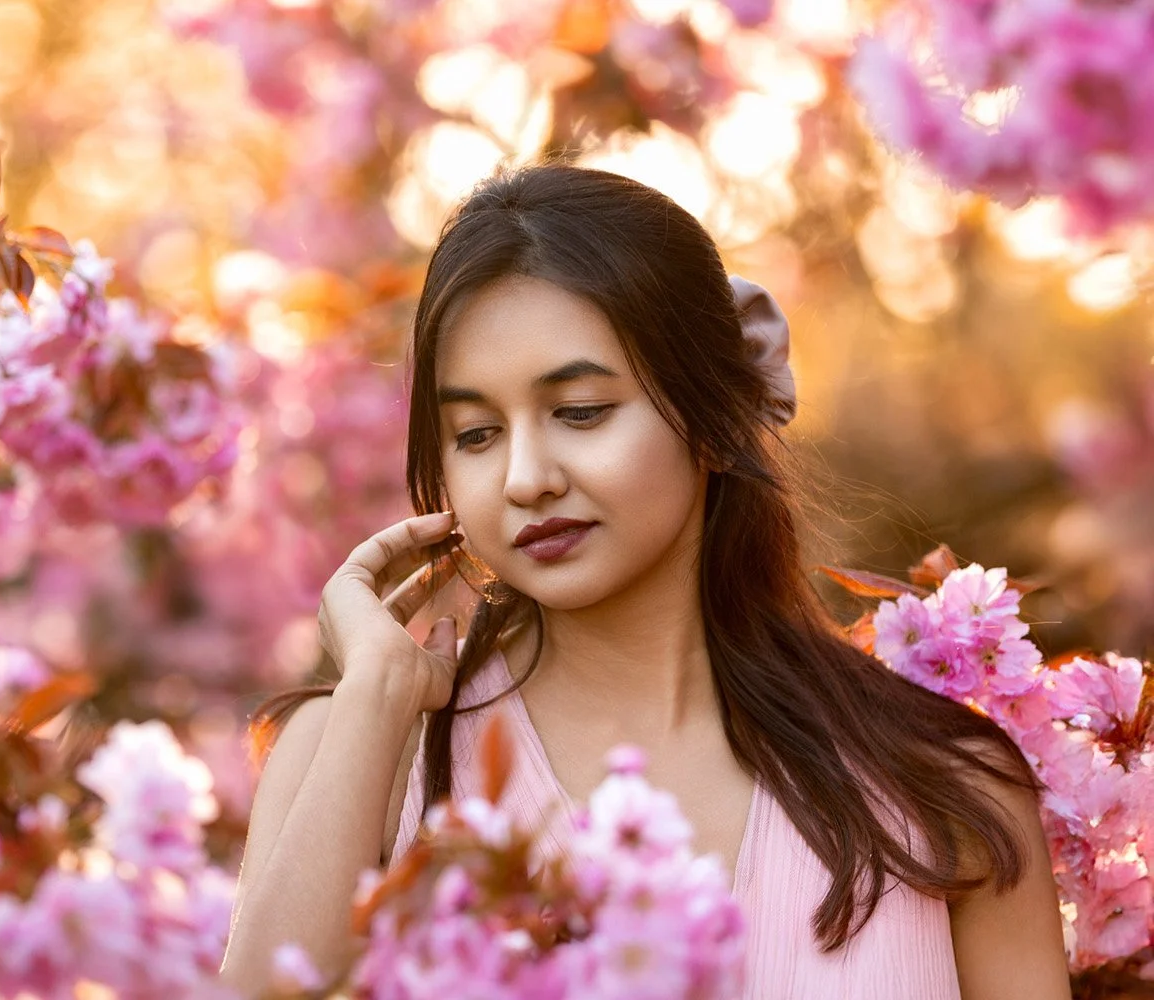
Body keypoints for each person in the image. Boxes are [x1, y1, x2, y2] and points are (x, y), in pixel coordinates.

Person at [221, 165, 1071, 998]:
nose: (525, 478)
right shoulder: (361, 753)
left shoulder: (944, 783)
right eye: (475, 433)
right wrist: (373, 701)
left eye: (580, 412)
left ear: (712, 415)